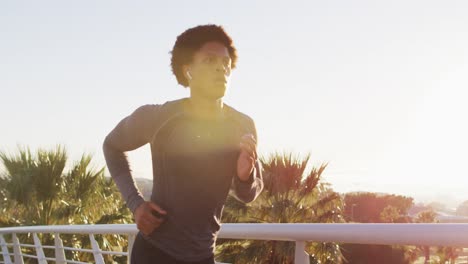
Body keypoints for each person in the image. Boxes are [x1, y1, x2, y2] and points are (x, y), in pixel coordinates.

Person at [103, 24, 264, 264]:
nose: (221, 67)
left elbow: (248, 194)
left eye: (226, 62)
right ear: (188, 70)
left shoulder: (242, 126)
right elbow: (111, 145)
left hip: (203, 256)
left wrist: (245, 174)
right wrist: (136, 204)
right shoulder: (159, 117)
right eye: (210, 61)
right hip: (153, 254)